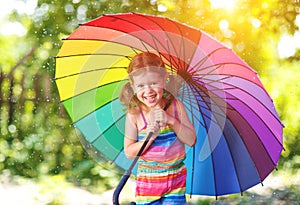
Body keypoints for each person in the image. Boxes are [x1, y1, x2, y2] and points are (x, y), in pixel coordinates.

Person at [119, 52, 196, 205]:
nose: (148, 91)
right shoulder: (134, 115)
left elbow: (191, 140)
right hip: (148, 184)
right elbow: (129, 152)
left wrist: (171, 120)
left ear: (164, 78)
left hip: (175, 181)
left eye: (153, 83)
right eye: (141, 86)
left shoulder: (175, 107)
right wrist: (150, 137)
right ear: (132, 85)